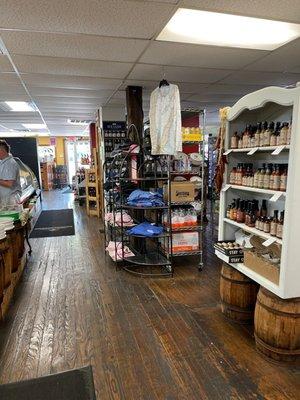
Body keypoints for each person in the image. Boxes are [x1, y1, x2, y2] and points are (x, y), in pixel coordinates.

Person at [0, 139, 21, 207]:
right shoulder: (3, 162)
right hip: (5, 199)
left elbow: (9, 184)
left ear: (1, 150)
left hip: (10, 200)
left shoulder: (10, 163)